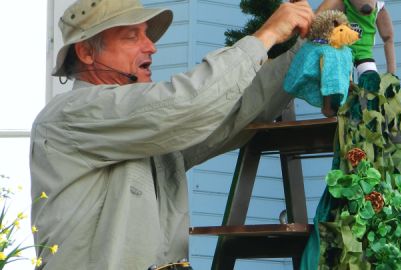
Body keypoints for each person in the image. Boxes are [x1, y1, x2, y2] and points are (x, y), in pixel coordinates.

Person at [30, 0, 314, 269]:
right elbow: (188, 103)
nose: (151, 47)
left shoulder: (146, 128)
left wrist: (310, 43)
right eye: (132, 36)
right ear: (86, 52)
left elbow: (238, 111)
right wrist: (266, 36)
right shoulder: (70, 113)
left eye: (147, 36)